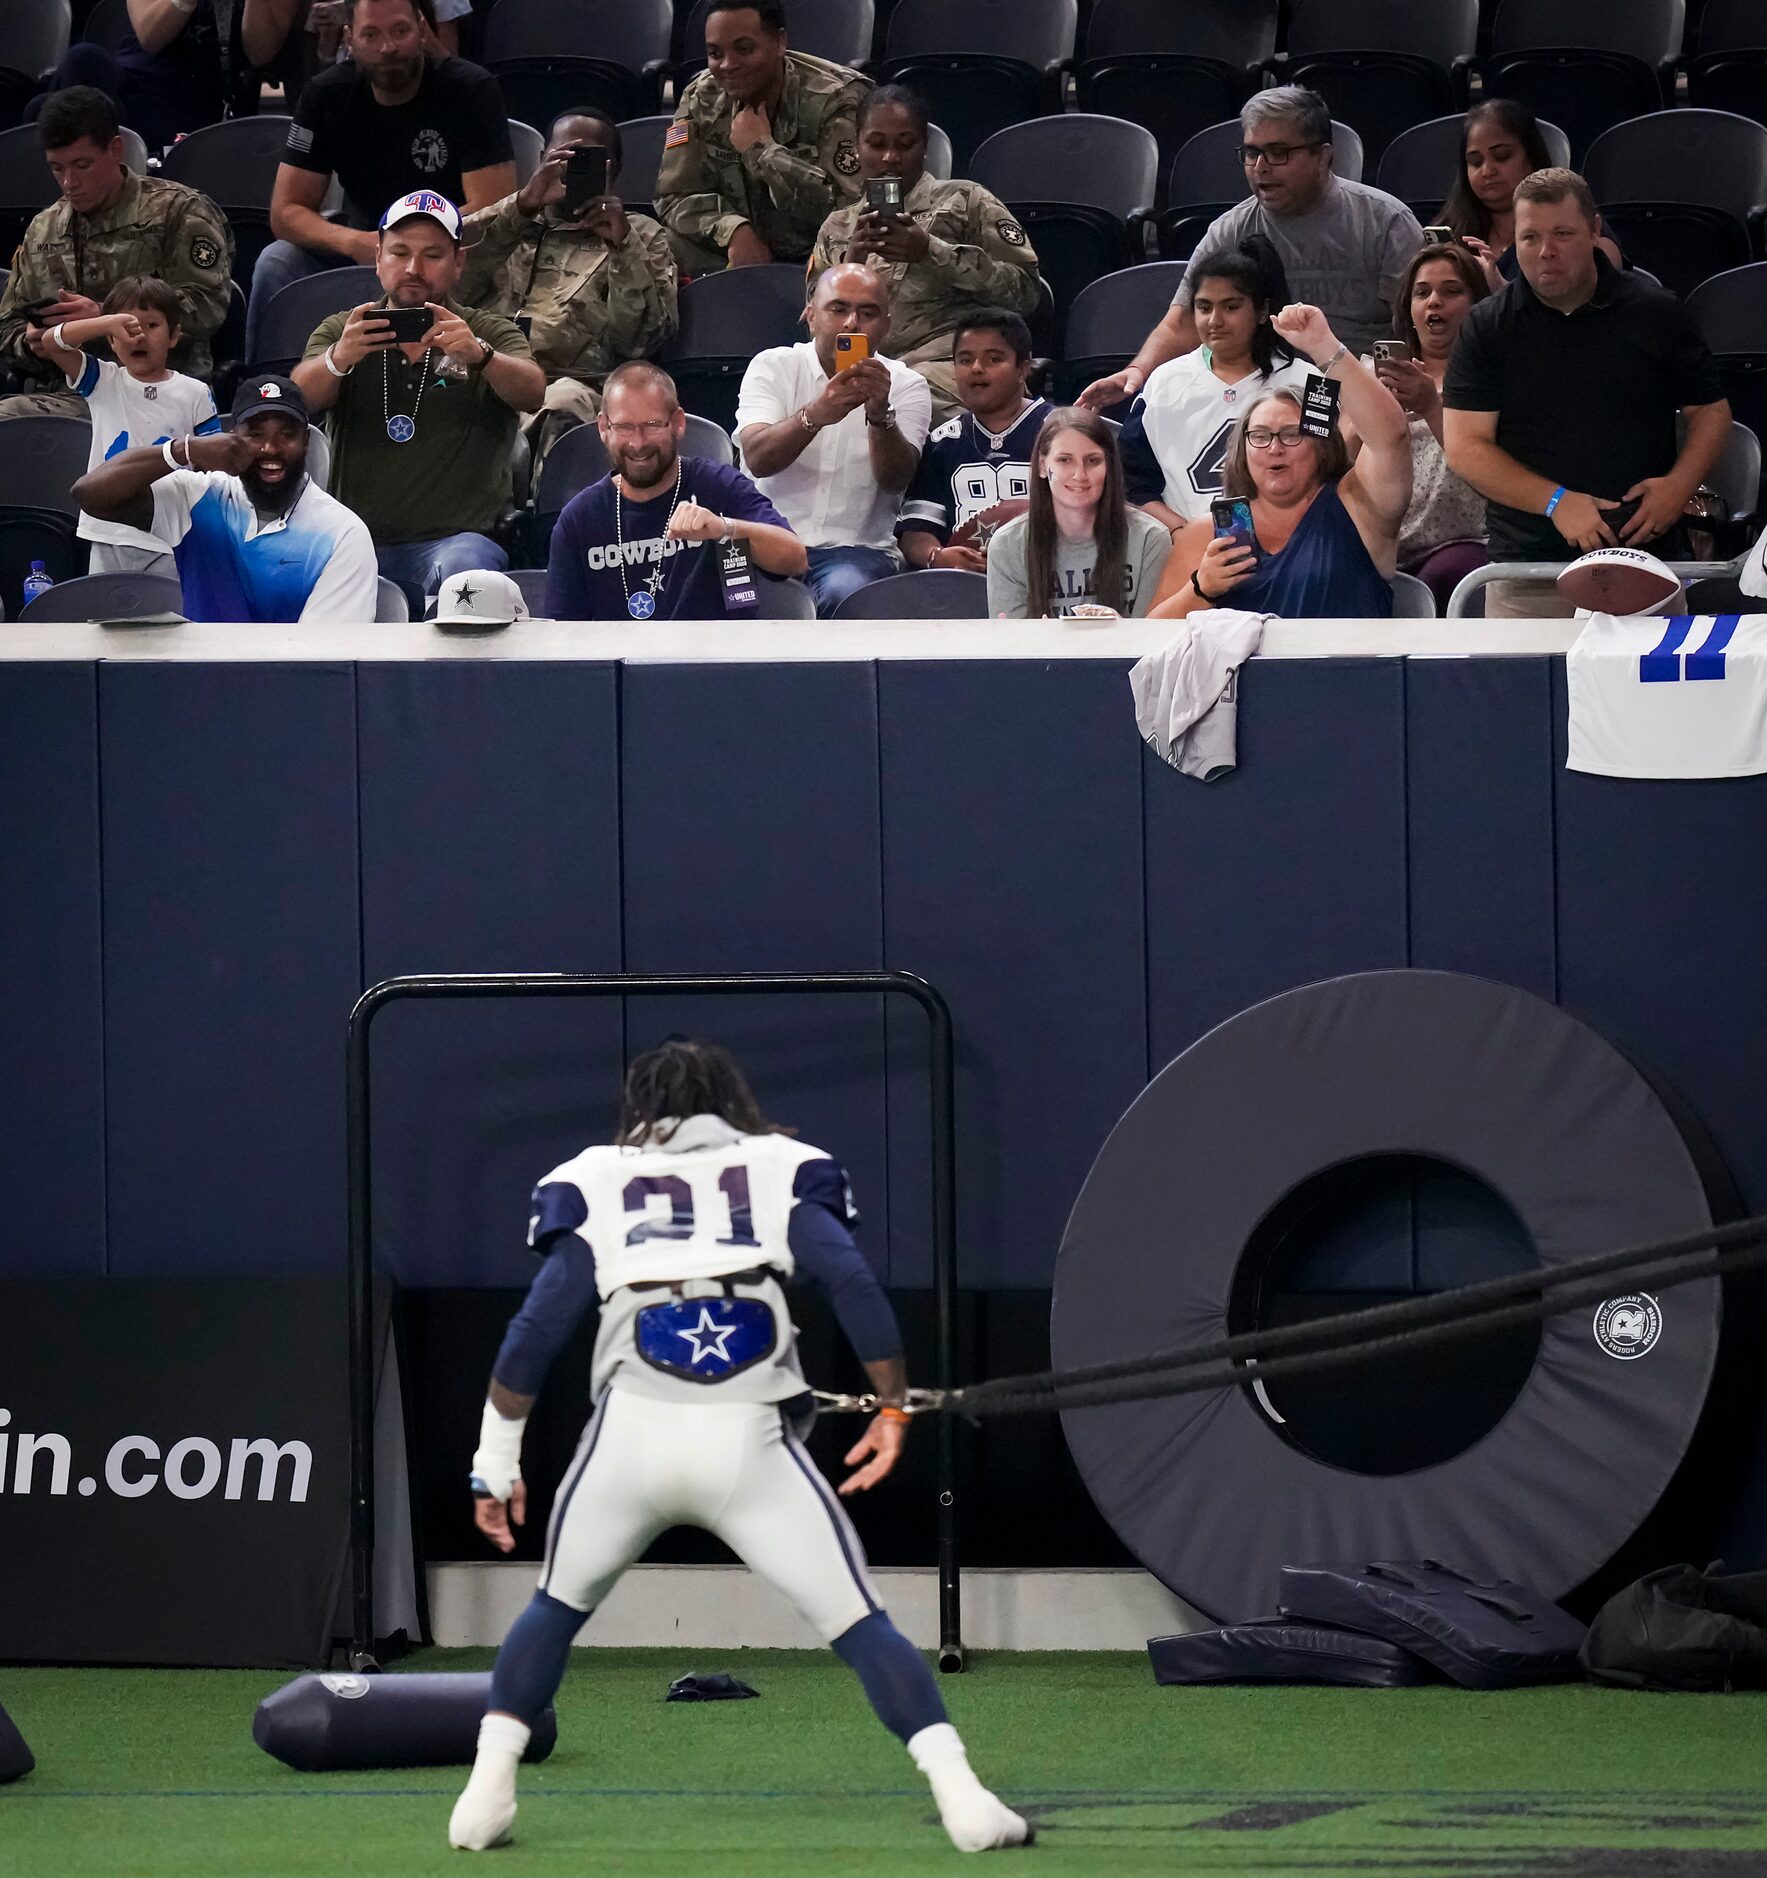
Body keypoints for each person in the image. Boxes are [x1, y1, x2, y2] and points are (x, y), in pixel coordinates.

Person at [446, 1038, 1030, 1857]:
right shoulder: (784, 1165)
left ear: (641, 1105)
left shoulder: (593, 1175)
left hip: (631, 1437)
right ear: (733, 1099)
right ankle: (964, 1799)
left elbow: (534, 1333)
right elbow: (855, 1287)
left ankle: (484, 1795)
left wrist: (495, 1464)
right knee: (862, 1625)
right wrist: (892, 1411)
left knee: (553, 1608)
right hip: (747, 1440)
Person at [1443, 170, 1730, 620]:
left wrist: (1678, 486)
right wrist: (1556, 501)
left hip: (1646, 563)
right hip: (1529, 569)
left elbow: (1711, 413)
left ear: (1595, 230)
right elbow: (1465, 448)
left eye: (1562, 233)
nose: (1545, 251)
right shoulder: (1488, 326)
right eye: (1530, 236)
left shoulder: (1656, 312)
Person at [1077, 87, 1423, 414]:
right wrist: (1136, 373)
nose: (1260, 167)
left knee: (1315, 443)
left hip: (1361, 386)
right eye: (1252, 153)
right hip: (1263, 392)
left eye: (1278, 153)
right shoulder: (1231, 229)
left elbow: (1418, 327)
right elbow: (1182, 322)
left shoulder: (1384, 221)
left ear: (1324, 156)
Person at [292, 190, 545, 611]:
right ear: (378, 258)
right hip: (358, 539)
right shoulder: (345, 329)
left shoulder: (486, 329)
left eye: (432, 255)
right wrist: (340, 359)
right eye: (400, 252)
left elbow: (533, 391)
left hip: (457, 541)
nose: (413, 268)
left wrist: (480, 355)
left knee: (468, 571)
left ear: (458, 262)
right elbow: (299, 400)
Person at [248, 0, 516, 365]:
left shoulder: (470, 90)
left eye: (400, 31)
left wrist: (406, 248)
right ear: (350, 39)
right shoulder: (326, 93)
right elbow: (286, 212)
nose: (388, 47)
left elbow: (492, 206)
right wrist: (355, 242)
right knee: (276, 261)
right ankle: (268, 395)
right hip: (363, 243)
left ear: (422, 31)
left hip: (447, 253)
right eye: (371, 34)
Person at [1149, 303, 1412, 621]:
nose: (1274, 448)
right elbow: (1151, 636)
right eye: (1259, 436)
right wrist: (1201, 589)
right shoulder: (1210, 532)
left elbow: (1390, 437)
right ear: (1241, 450)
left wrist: (1322, 344)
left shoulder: (1358, 505)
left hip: (1349, 670)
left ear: (1322, 447)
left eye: (1291, 435)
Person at [807, 86, 1041, 423]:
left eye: (904, 145)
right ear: (857, 146)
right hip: (857, 365)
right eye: (876, 144)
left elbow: (1026, 293)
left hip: (947, 365)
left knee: (906, 401)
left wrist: (931, 252)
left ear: (924, 147)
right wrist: (851, 265)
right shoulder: (837, 226)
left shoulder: (966, 201)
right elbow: (815, 325)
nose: (890, 157)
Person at [69, 372, 379, 622]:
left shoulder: (341, 533)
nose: (270, 448)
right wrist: (181, 450)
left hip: (286, 691)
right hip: (201, 683)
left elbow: (324, 659)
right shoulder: (199, 496)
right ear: (231, 436)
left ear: (307, 442)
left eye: (286, 435)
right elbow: (91, 494)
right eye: (255, 434)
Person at [0, 87, 233, 418]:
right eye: (57, 168)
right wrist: (31, 342)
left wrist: (104, 317)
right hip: (70, 396)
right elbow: (7, 324)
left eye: (82, 165)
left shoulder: (178, 212)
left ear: (115, 150)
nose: (68, 182)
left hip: (160, 393)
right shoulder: (44, 229)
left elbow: (208, 306)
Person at [459, 110, 678, 456]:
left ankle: (539, 509)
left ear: (613, 171)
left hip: (572, 383)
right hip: (486, 371)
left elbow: (640, 341)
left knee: (562, 403)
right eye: (564, 156)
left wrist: (622, 248)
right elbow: (449, 279)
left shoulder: (640, 235)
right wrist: (521, 206)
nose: (572, 168)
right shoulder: (509, 222)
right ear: (543, 159)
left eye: (588, 159)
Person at [735, 263, 931, 615]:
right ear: (811, 316)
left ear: (886, 325)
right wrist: (815, 415)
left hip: (856, 550)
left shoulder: (906, 384)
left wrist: (879, 414)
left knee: (844, 591)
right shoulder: (772, 366)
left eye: (867, 313)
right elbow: (757, 460)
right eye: (838, 309)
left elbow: (895, 481)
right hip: (765, 541)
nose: (851, 323)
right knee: (721, 596)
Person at [544, 362, 806, 621]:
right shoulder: (579, 520)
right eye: (624, 427)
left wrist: (725, 529)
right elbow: (563, 635)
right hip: (620, 658)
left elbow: (795, 559)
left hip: (714, 656)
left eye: (652, 425)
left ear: (678, 423)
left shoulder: (718, 487)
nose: (638, 443)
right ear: (604, 428)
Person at [654, 0, 871, 274]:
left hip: (821, 253)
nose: (728, 65)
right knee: (659, 243)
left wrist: (763, 152)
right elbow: (673, 195)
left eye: (744, 49)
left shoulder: (838, 99)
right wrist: (733, 230)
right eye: (715, 53)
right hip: (738, 252)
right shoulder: (701, 97)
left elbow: (852, 211)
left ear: (779, 42)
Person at [26, 275, 223, 576]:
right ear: (111, 340)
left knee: (175, 618)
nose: (138, 335)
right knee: (107, 615)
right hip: (108, 531)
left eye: (151, 325)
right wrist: (105, 322)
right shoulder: (103, 381)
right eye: (127, 326)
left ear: (174, 335)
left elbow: (214, 462)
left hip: (172, 532)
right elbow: (52, 341)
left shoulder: (194, 391)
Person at [1119, 236, 1309, 538]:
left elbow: (1332, 472)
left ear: (1262, 311)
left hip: (1291, 548)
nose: (1214, 320)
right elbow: (1134, 483)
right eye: (1203, 307)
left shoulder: (1309, 382)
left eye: (1231, 307)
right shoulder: (1162, 383)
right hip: (1185, 554)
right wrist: (1183, 533)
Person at [1371, 241, 1490, 609]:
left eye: (1451, 291)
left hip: (1462, 544)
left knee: (1447, 573)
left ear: (1478, 306)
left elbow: (1489, 468)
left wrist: (1429, 405)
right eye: (1422, 293)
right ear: (1408, 308)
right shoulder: (1364, 377)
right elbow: (1327, 462)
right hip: (1382, 540)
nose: (1434, 301)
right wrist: (1369, 414)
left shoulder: (1496, 378)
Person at [896, 310, 1049, 573]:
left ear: (1023, 370)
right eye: (965, 360)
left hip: (1047, 580)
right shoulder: (943, 441)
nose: (977, 368)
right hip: (963, 587)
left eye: (993, 359)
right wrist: (938, 557)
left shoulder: (1060, 431)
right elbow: (915, 531)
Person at [987, 408, 1173, 619]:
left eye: (1093, 460)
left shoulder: (1151, 538)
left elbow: (1150, 640)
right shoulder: (1007, 545)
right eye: (1065, 460)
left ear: (1109, 466)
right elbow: (1012, 646)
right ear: (1042, 465)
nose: (1080, 474)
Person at [1437, 100, 1622, 292]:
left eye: (1502, 156)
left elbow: (1598, 284)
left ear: (1531, 157)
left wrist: (1501, 291)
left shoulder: (1574, 217)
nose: (1487, 170)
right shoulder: (1452, 229)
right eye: (1475, 162)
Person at [38, 0, 226, 154]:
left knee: (46, 110)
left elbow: (255, 52)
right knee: (82, 61)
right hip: (131, 78)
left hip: (187, 99)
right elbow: (149, 36)